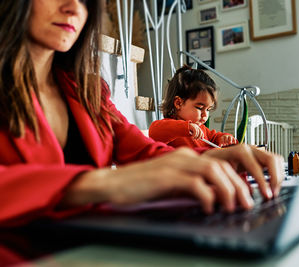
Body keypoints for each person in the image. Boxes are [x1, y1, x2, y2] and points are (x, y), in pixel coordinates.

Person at [0, 0, 284, 227]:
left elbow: (145, 154)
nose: (75, 7)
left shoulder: (89, 92)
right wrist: (98, 183)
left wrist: (215, 158)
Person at [149, 65, 237, 148]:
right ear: (178, 103)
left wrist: (225, 138)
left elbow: (215, 137)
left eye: (208, 109)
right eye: (200, 108)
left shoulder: (203, 129)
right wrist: (186, 127)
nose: (205, 115)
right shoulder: (170, 127)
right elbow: (154, 131)